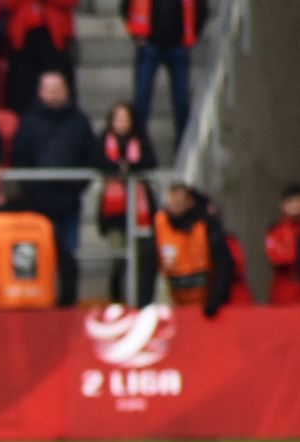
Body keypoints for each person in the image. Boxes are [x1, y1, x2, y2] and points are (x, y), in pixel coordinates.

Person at [12, 71, 96, 306]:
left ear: (67, 91)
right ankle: (39, 300)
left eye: (58, 89)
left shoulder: (79, 121)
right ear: (40, 92)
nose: (54, 94)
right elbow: (20, 157)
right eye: (49, 89)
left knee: (70, 254)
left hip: (69, 202)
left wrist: (76, 184)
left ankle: (68, 303)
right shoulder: (29, 122)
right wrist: (33, 188)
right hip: (38, 203)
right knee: (39, 255)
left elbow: (90, 157)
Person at [124, 0, 207, 147]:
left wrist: (193, 36)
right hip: (149, 44)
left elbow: (201, 9)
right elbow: (126, 7)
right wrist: (135, 34)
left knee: (181, 101)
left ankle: (183, 146)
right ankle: (138, 146)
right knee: (141, 100)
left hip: (178, 45)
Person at [97, 101, 156, 305]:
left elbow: (151, 160)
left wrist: (130, 167)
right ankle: (116, 298)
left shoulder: (141, 140)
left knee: (141, 258)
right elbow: (96, 159)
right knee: (118, 257)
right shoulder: (104, 140)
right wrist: (116, 167)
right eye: (118, 119)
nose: (122, 123)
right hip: (114, 213)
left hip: (139, 209)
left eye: (125, 119)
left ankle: (140, 301)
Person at [0, 180, 58, 309]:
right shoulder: (44, 225)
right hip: (42, 304)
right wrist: (66, 301)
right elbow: (67, 264)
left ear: (1, 199)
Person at [153, 182, 232, 318]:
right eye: (171, 205)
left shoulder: (206, 225)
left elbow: (224, 263)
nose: (174, 210)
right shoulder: (161, 224)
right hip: (177, 302)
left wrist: (217, 298)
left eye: (178, 205)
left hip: (206, 302)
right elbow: (150, 263)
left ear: (189, 203)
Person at [3, 0, 77, 114]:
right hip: (23, 38)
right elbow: (8, 4)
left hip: (55, 37)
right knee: (21, 88)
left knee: (57, 82)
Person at [263, 184, 300, 306]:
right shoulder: (275, 230)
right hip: (284, 289)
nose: (295, 205)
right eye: (291, 202)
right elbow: (277, 257)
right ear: (283, 205)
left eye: (297, 201)